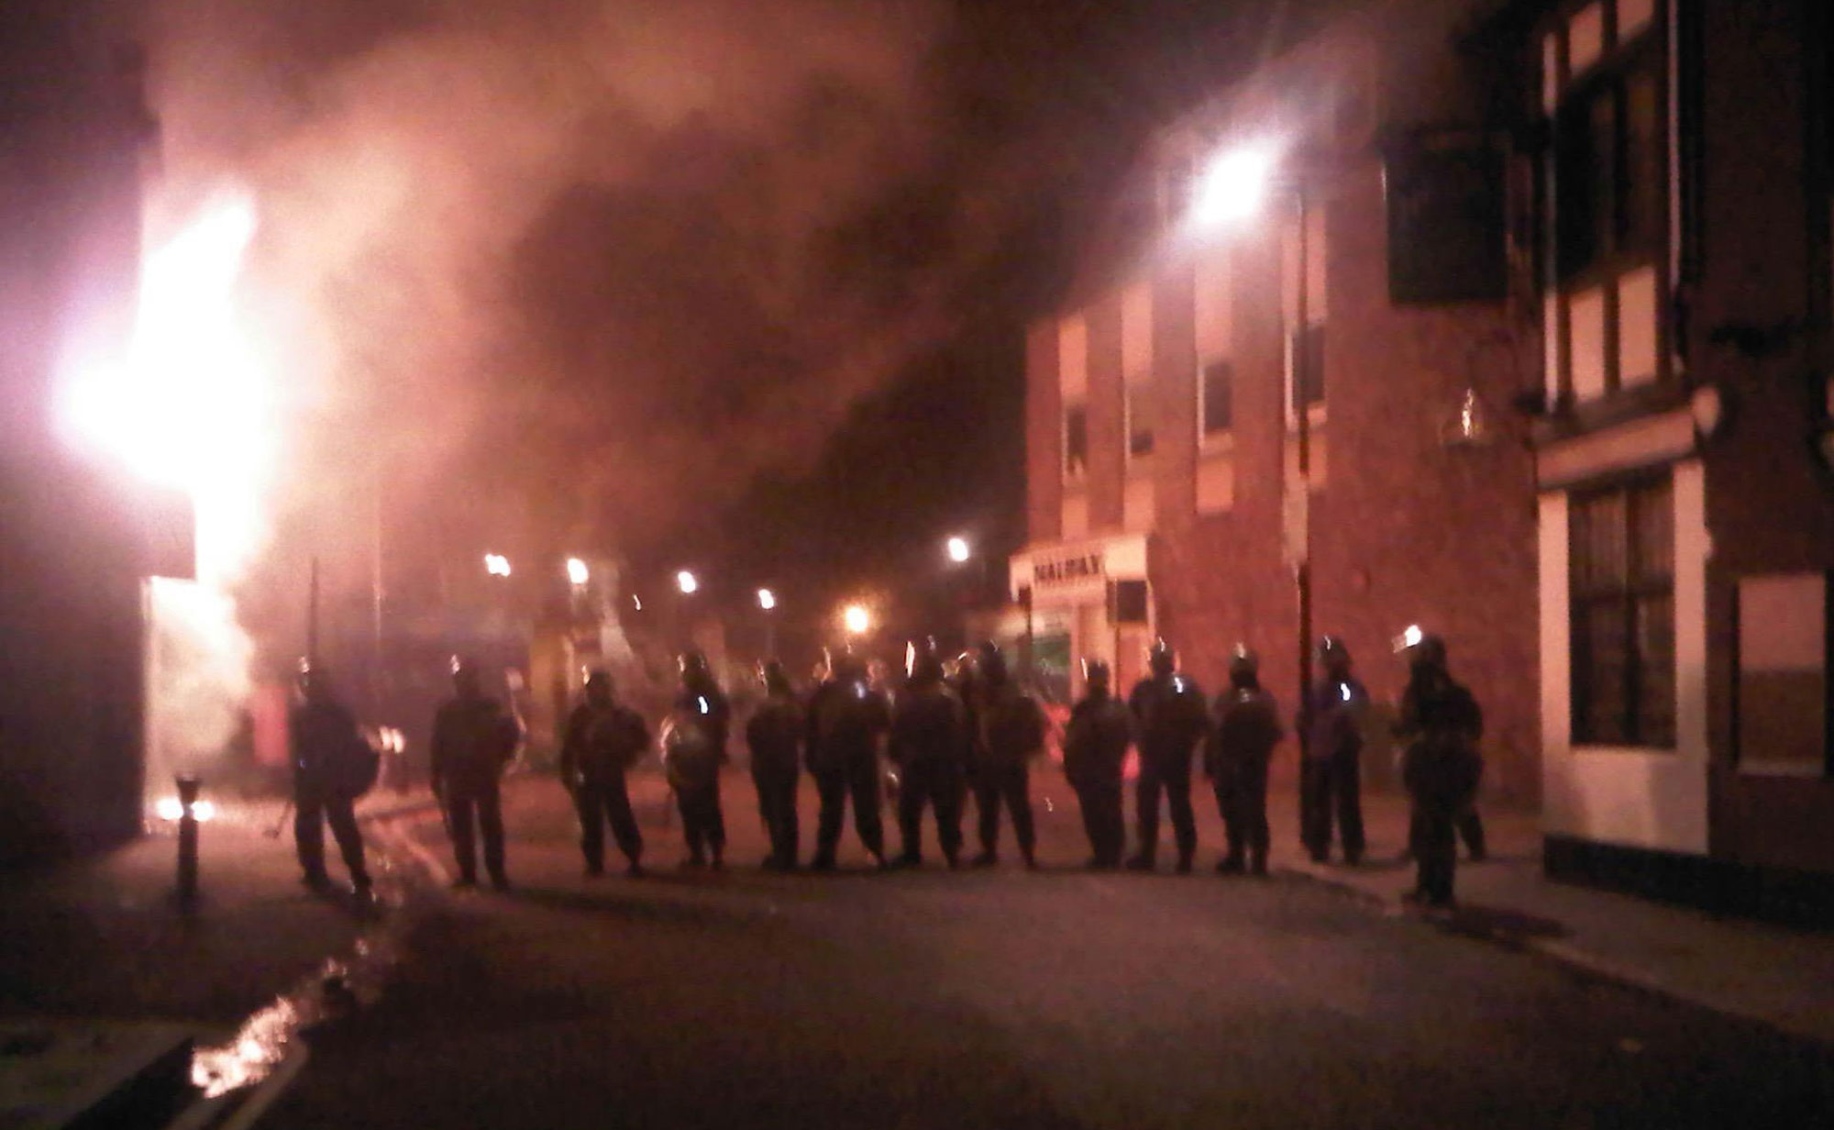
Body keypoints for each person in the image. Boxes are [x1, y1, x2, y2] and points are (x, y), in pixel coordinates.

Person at [1395, 632, 1485, 909]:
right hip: (1450, 767)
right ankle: (1438, 889)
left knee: (1430, 830)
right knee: (1440, 829)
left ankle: (1432, 888)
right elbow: (1474, 726)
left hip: (1430, 768)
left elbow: (1408, 725)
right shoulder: (1456, 691)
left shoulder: (1421, 690)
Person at [431, 656, 521, 889]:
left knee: (489, 825)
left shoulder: (489, 707)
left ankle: (495, 872)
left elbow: (507, 736)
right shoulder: (448, 711)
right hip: (460, 774)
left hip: (482, 772)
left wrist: (500, 760)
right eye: (461, 679)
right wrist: (436, 773)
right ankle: (469, 873)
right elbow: (438, 744)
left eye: (467, 678)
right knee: (464, 827)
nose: (464, 683)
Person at [287, 662, 374, 896]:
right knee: (314, 827)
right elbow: (298, 750)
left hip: (332, 779)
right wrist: (301, 769)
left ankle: (354, 871)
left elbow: (351, 746)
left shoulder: (334, 714)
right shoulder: (305, 714)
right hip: (319, 780)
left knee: (340, 826)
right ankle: (318, 871)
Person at [1126, 638, 1209, 873]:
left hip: (1161, 754)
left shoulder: (1149, 688)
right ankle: (1177, 856)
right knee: (1173, 805)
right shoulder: (1183, 687)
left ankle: (1154, 854)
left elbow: (1132, 720)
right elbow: (1200, 720)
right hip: (1169, 755)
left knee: (1158, 806)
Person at [805, 648, 891, 870]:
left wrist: (812, 755)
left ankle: (825, 855)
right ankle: (875, 851)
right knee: (867, 807)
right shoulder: (867, 694)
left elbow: (810, 726)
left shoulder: (822, 694)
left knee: (831, 809)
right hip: (862, 756)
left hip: (831, 756)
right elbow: (884, 721)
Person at [558, 668, 648, 877]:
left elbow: (640, 739)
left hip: (611, 773)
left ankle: (633, 857)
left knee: (621, 817)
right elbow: (569, 746)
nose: (597, 692)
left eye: (601, 687)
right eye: (593, 688)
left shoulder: (620, 715)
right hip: (587, 773)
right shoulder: (580, 716)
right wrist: (567, 774)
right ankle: (594, 862)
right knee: (590, 820)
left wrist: (627, 752)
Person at [887, 640, 968, 869]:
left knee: (910, 809)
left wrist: (895, 753)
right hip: (944, 761)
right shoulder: (949, 698)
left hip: (916, 759)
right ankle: (951, 851)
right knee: (947, 809)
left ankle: (912, 851)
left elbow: (898, 727)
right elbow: (959, 730)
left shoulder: (909, 699)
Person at [1205, 645, 1283, 875]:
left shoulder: (1250, 699)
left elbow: (1273, 732)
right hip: (1237, 764)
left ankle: (1251, 858)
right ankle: (1241, 856)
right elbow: (1214, 730)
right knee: (1238, 811)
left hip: (1244, 763)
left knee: (1249, 811)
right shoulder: (1245, 698)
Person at [967, 641, 1044, 869]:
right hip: (1008, 759)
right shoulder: (1012, 690)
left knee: (994, 808)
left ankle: (996, 851)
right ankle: (1024, 852)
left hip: (998, 758)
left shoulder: (985, 692)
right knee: (1012, 808)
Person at [1298, 636, 1368, 865]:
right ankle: (1326, 846)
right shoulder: (1322, 688)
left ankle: (1345, 847)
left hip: (1339, 749)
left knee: (1341, 802)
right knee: (1326, 802)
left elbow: (1350, 712)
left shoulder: (1344, 687)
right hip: (1325, 750)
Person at [1062, 658, 1133, 869]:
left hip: (1094, 769)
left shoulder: (1089, 708)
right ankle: (1109, 854)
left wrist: (1071, 765)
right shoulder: (1113, 707)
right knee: (1108, 812)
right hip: (1104, 769)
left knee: (1098, 813)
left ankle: (1106, 855)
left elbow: (1074, 740)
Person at [663, 650, 730, 870]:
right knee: (688, 805)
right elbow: (675, 719)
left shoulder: (706, 693)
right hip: (685, 756)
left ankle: (714, 852)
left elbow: (713, 720)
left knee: (706, 804)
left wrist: (715, 746)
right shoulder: (684, 692)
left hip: (702, 756)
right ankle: (698, 852)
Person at [745, 659, 804, 871]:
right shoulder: (791, 703)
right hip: (785, 760)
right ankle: (786, 853)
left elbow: (754, 732)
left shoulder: (768, 704)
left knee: (775, 808)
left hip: (770, 761)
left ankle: (783, 854)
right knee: (784, 807)